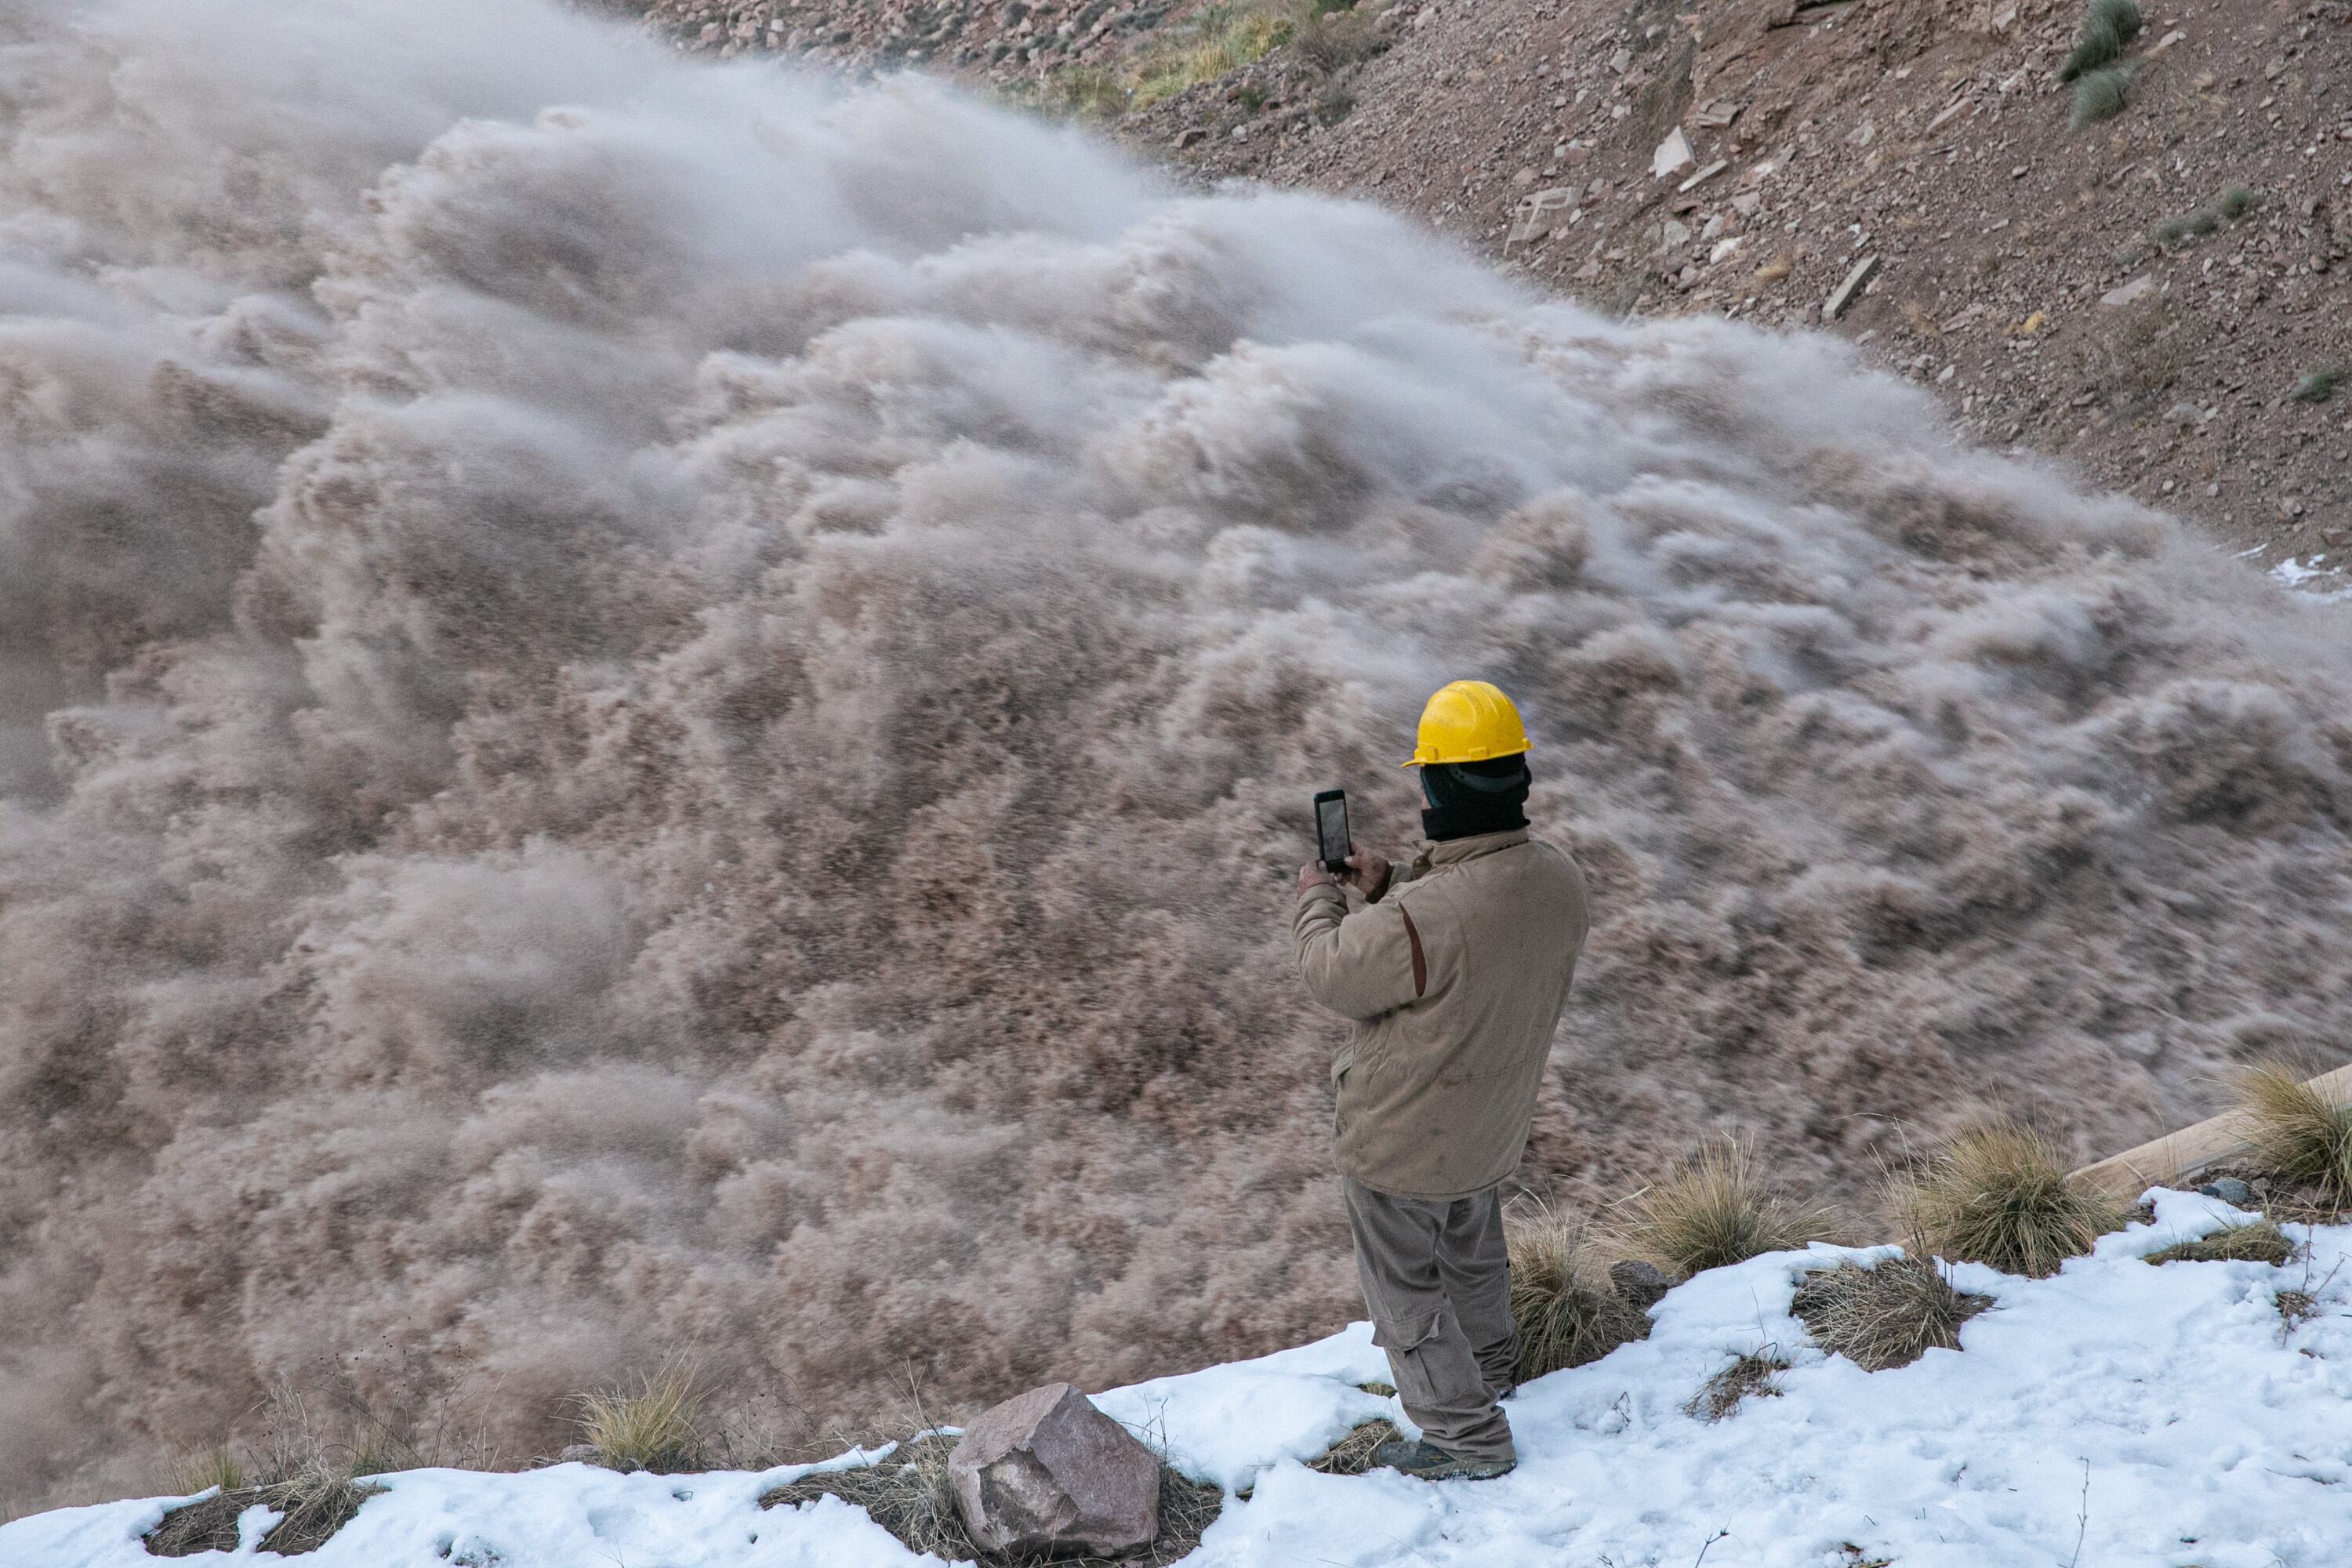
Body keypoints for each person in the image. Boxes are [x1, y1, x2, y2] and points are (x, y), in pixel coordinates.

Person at [1292, 679, 1590, 1481]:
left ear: (1439, 786)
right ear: (1515, 775)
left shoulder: (1425, 917)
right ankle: (1492, 1370)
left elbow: (1335, 974)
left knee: (1407, 1294)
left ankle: (1466, 1435)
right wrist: (1390, 883)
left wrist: (1321, 899)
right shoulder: (1560, 879)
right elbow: (1472, 936)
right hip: (1488, 1123)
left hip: (1404, 1139)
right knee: (1473, 1253)